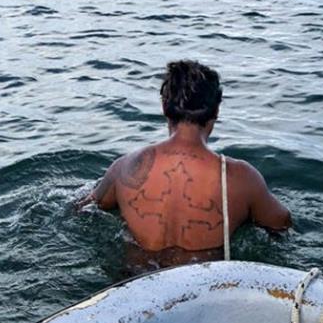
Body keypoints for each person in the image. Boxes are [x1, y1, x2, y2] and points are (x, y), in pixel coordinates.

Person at [82, 60, 292, 267]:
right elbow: (281, 224)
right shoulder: (240, 178)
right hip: (202, 288)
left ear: (165, 107)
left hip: (133, 281)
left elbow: (86, 208)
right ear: (216, 110)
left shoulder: (124, 167)